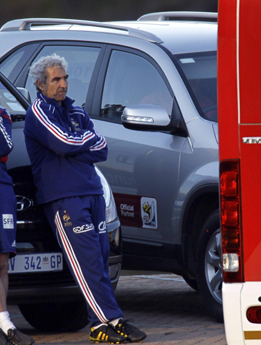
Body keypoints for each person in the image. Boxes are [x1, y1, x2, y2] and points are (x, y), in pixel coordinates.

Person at [24, 54, 146, 344]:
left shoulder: (76, 110)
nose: (63, 83)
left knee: (101, 258)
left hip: (92, 191)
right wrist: (81, 143)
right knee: (88, 261)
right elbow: (63, 142)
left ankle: (106, 319)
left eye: (65, 78)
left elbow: (101, 147)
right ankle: (106, 322)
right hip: (64, 199)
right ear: (41, 84)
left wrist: (77, 144)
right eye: (56, 79)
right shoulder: (39, 112)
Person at [0, 107, 35, 345]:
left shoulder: (3, 116)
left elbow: (4, 146)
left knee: (2, 261)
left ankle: (4, 322)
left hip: (2, 188)